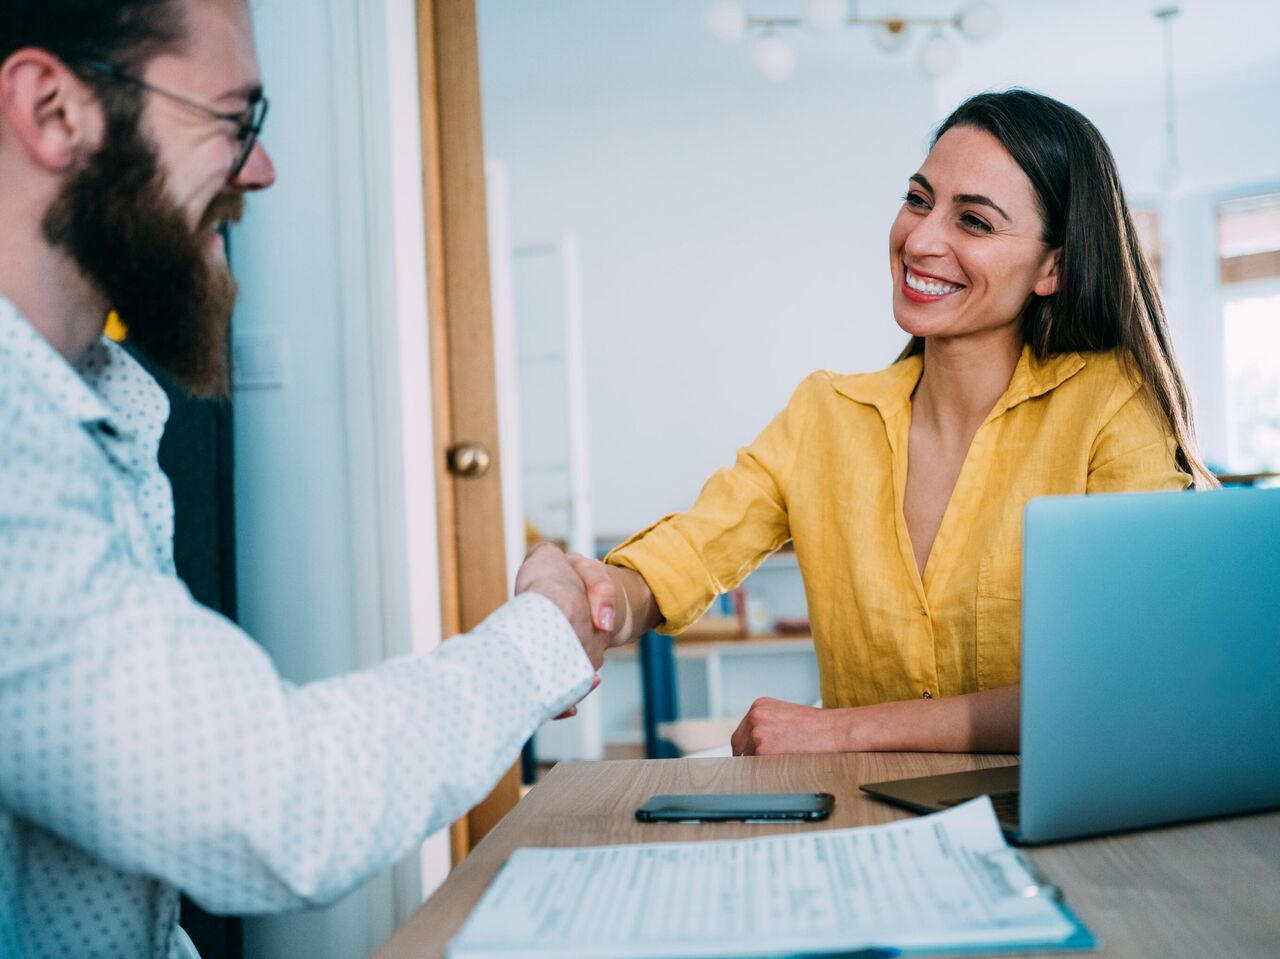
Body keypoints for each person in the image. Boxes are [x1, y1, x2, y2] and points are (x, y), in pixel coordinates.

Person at [0, 2, 608, 957]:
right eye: (232, 119)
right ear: (52, 109)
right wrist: (545, 631)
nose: (261, 168)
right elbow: (283, 805)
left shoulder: (94, 407)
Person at [547, 89, 1215, 759]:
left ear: (1053, 267)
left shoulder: (1111, 405)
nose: (920, 240)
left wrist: (840, 729)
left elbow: (1124, 681)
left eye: (974, 222)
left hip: (1060, 820)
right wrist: (599, 605)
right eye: (919, 200)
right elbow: (687, 555)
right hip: (870, 823)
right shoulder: (825, 416)